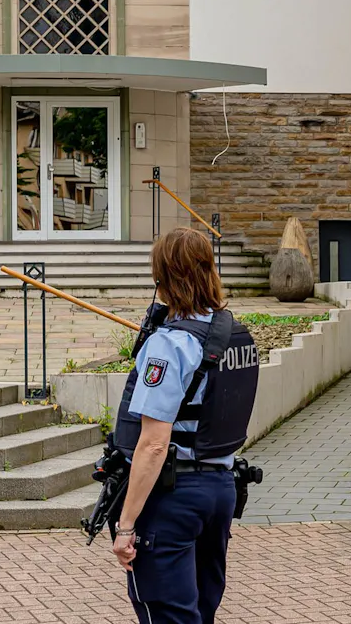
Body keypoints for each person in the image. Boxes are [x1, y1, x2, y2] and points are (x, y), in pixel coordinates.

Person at [108, 227, 262, 624]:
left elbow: (154, 445)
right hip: (222, 489)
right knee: (200, 611)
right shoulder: (235, 334)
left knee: (169, 615)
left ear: (165, 278)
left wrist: (126, 527)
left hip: (175, 496)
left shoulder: (169, 344)